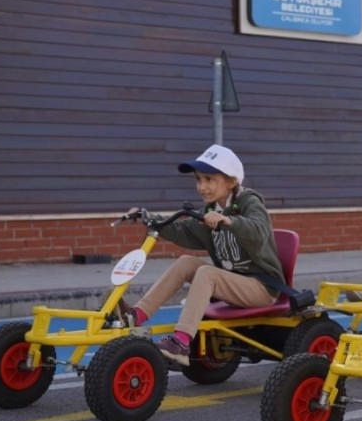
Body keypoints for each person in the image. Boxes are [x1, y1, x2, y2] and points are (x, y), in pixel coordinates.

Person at [119, 145, 283, 365]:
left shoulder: (249, 201)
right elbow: (184, 231)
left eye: (209, 179)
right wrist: (148, 218)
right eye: (198, 179)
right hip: (234, 283)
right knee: (186, 262)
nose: (202, 187)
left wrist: (229, 221)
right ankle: (137, 315)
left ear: (231, 181)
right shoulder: (210, 210)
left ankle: (181, 342)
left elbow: (259, 230)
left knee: (207, 273)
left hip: (262, 287)